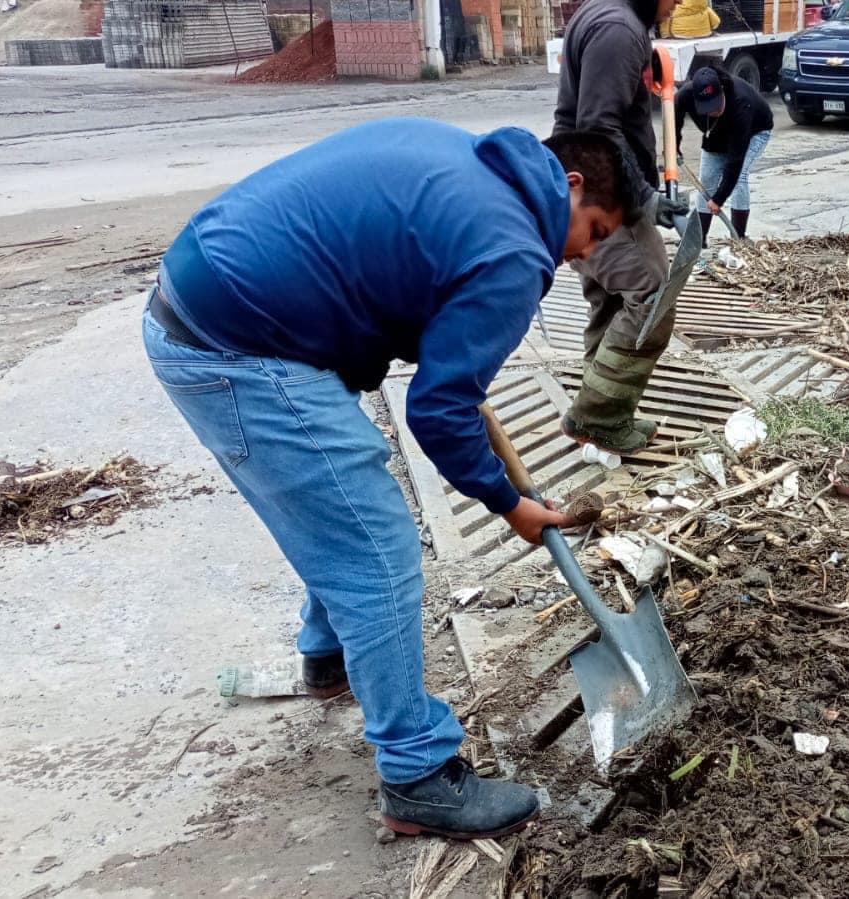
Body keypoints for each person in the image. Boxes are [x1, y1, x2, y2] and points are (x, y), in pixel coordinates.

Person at [141, 118, 636, 840]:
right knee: (377, 551)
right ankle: (417, 777)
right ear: (571, 185)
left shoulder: (467, 160)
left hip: (204, 300)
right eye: (593, 231)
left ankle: (327, 657)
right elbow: (438, 411)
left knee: (336, 503)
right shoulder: (513, 252)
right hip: (236, 344)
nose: (582, 256)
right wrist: (508, 502)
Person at [553, 0, 680, 455]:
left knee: (609, 306)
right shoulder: (618, 29)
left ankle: (600, 419)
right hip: (603, 196)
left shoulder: (606, 15)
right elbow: (597, 125)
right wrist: (643, 196)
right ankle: (597, 417)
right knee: (651, 297)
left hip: (583, 185)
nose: (680, 2)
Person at [675, 65, 773, 246]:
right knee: (707, 181)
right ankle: (698, 239)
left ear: (722, 90)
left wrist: (719, 198)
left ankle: (739, 238)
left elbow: (735, 160)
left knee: (740, 177)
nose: (714, 111)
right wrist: (674, 147)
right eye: (707, 108)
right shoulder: (685, 95)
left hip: (754, 132)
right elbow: (674, 122)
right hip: (715, 134)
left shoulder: (741, 104)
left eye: (716, 104)